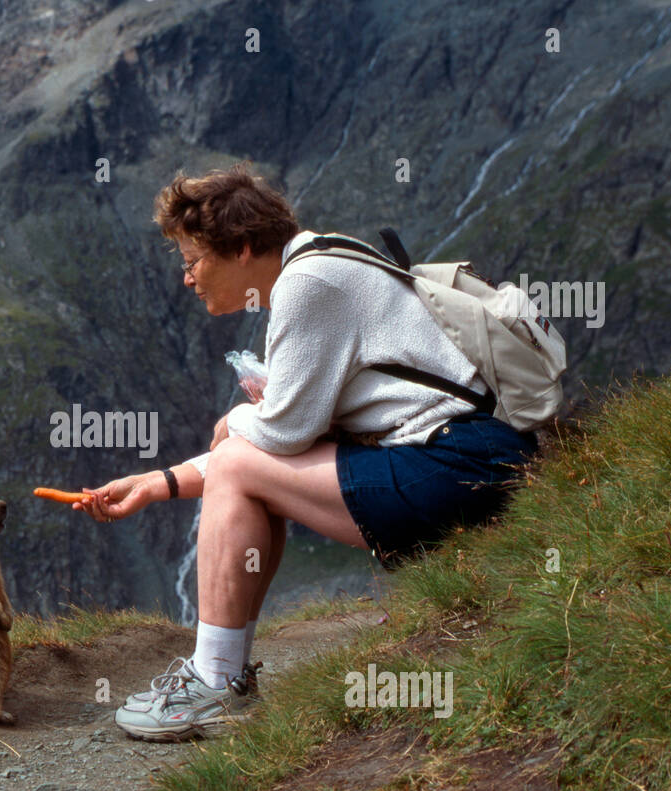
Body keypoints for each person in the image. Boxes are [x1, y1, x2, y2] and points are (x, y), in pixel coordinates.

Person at [77, 162, 541, 742]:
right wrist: (158, 482)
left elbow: (275, 439)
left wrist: (237, 418)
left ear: (242, 248)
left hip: (459, 465)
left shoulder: (307, 285)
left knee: (243, 460)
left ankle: (214, 682)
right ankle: (226, 676)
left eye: (193, 262)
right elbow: (276, 443)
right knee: (244, 463)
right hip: (473, 456)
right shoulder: (321, 258)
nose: (187, 279)